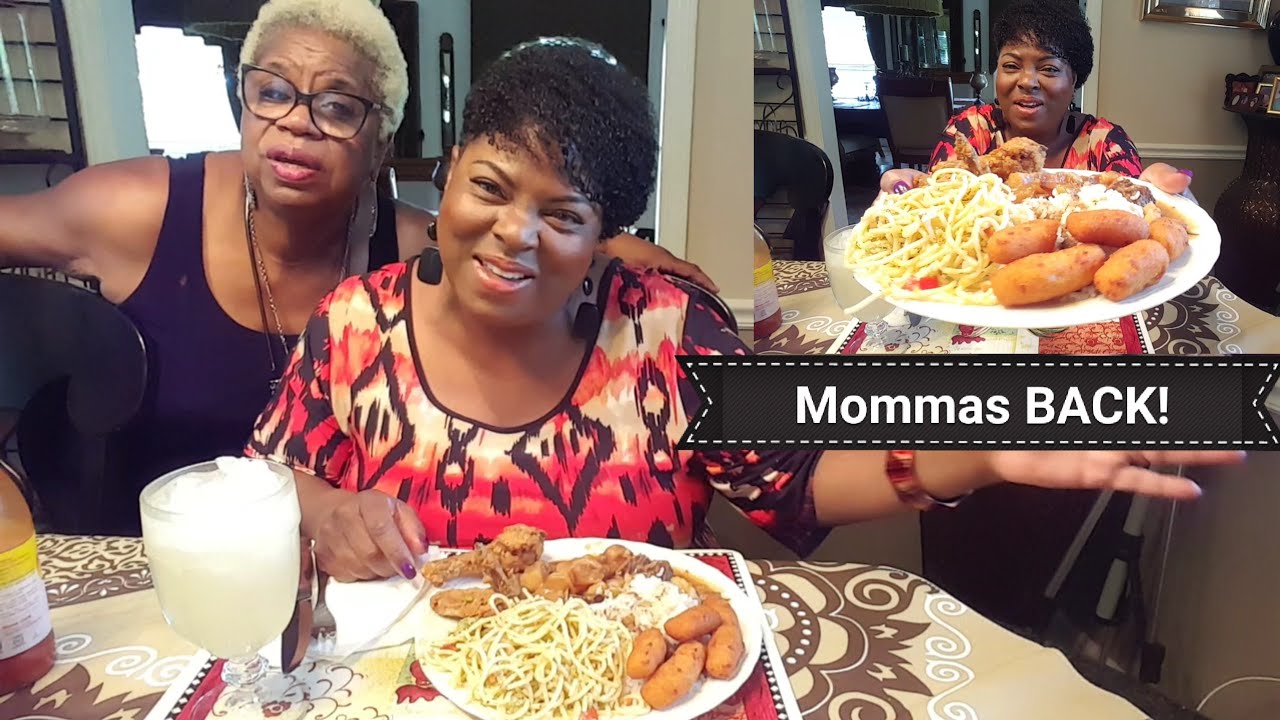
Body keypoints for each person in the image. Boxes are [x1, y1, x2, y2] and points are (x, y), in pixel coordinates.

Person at [244, 37, 1245, 582]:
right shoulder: (351, 328)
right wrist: (321, 505)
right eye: (490, 187)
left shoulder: (665, 332)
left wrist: (977, 446)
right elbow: (258, 484)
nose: (512, 233)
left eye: (562, 213)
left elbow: (808, 473)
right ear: (448, 171)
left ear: (605, 235)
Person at [0, 0, 711, 532]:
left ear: (381, 142)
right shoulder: (137, 207)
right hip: (118, 540)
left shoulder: (405, 257)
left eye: (337, 107)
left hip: (289, 565)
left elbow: (500, 233)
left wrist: (598, 241)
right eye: (272, 92)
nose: (297, 121)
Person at [880, 0, 1193, 198]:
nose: (1027, 81)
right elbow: (939, 206)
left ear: (1075, 80)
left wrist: (1164, 198)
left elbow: (1133, 215)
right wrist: (910, 198)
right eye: (1012, 66)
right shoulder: (971, 130)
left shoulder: (1104, 143)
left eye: (1048, 68)